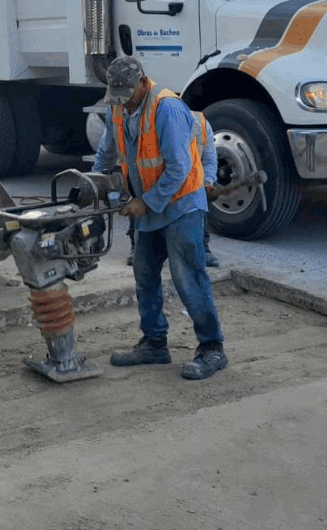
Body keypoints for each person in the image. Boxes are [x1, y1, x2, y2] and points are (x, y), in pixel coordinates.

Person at [93, 56, 228, 380]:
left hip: (182, 205)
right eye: (118, 98)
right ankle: (155, 343)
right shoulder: (118, 105)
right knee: (145, 272)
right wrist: (93, 183)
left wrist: (146, 202)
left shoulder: (167, 109)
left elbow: (180, 168)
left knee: (188, 277)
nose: (123, 104)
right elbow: (107, 152)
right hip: (152, 207)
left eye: (128, 96)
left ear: (143, 82)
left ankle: (212, 349)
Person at [125, 111, 221, 268]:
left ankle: (203, 248)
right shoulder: (158, 125)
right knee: (139, 197)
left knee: (198, 200)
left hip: (190, 179)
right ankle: (137, 245)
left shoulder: (201, 123)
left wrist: (207, 182)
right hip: (161, 178)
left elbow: (210, 159)